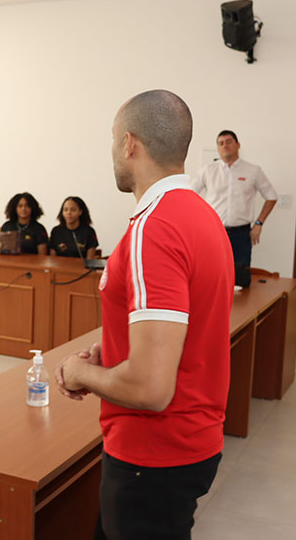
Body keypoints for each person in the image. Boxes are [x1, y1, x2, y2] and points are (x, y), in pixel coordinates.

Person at [55, 90, 234, 540]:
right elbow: (183, 327)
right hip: (190, 440)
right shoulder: (202, 215)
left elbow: (151, 389)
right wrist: (115, 351)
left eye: (113, 140)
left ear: (129, 143)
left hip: (154, 453)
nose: (113, 151)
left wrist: (79, 372)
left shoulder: (154, 228)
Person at [191, 130, 277, 268]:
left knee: (240, 275)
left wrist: (259, 223)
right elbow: (190, 194)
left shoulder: (253, 171)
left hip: (241, 235)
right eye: (221, 143)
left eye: (229, 142)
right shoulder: (208, 171)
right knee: (213, 272)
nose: (225, 146)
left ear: (238, 145)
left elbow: (271, 196)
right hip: (214, 233)